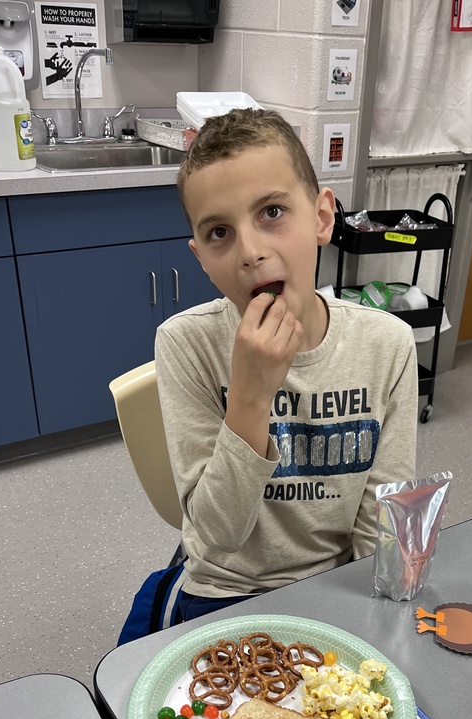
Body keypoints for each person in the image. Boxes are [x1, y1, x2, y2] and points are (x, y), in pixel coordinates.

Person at [117, 107, 418, 644]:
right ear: (201, 259)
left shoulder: (387, 345)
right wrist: (251, 397)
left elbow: (380, 528)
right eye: (218, 232)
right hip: (226, 590)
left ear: (323, 218)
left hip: (336, 586)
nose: (251, 252)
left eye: (273, 211)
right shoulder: (186, 344)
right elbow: (217, 537)